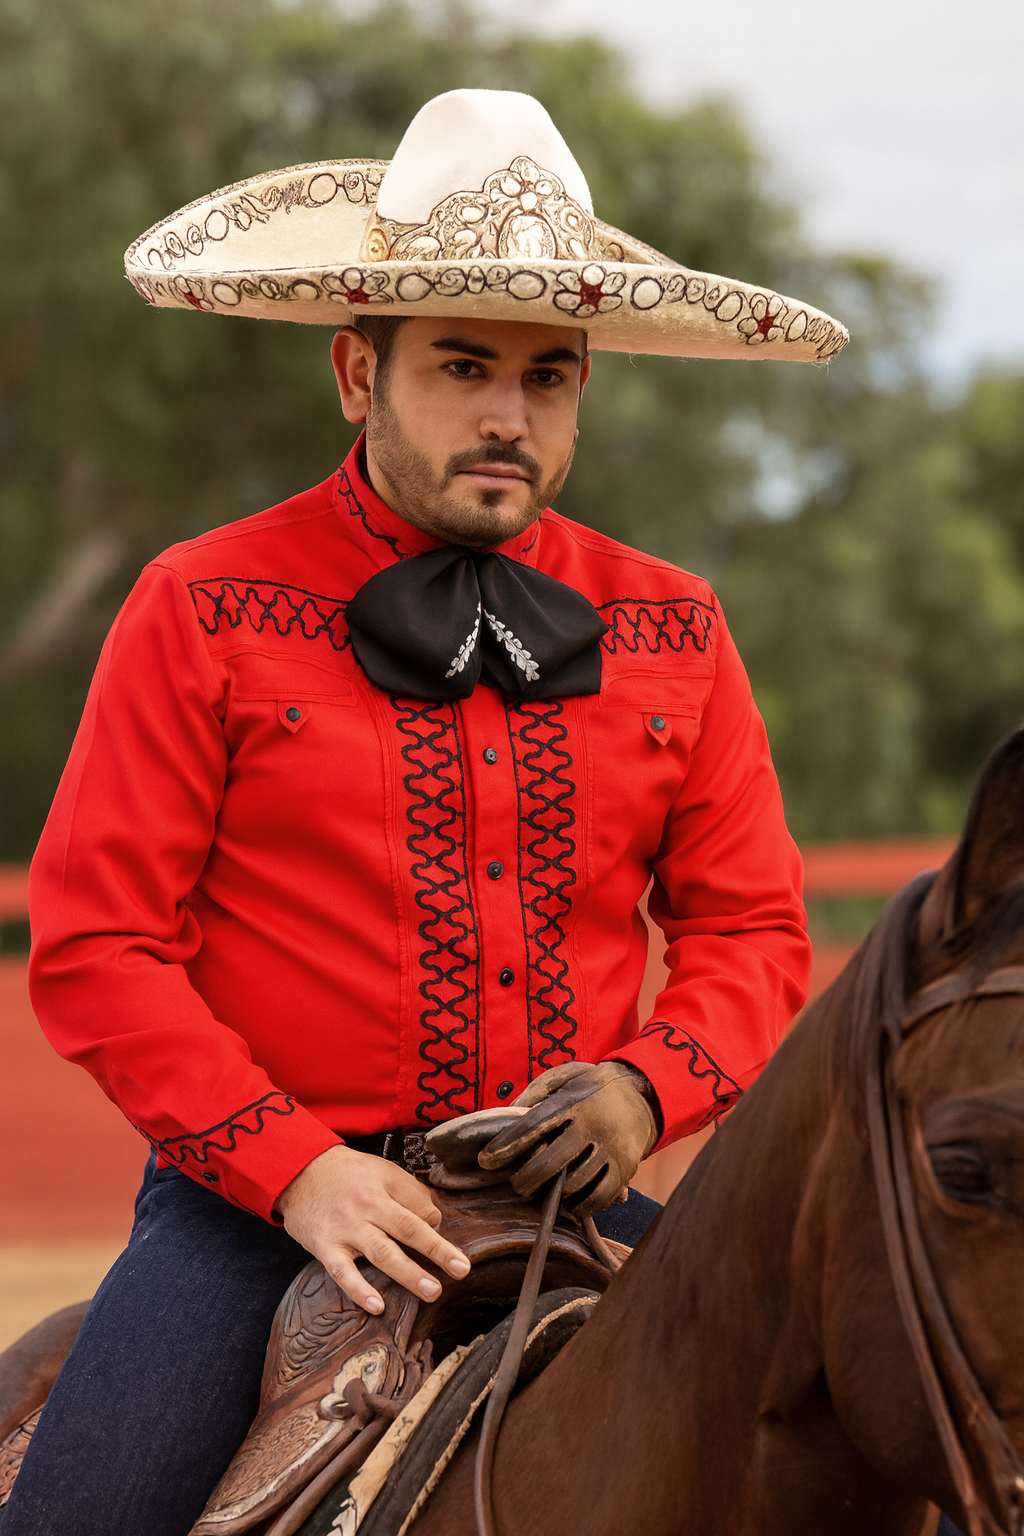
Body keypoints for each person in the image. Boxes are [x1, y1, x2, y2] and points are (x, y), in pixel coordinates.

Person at [1, 89, 847, 1535]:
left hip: (569, 1212)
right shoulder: (198, 605)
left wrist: (649, 1091)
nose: (508, 417)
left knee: (897, 1454)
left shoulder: (678, 627)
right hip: (256, 1218)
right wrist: (297, 1168)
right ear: (357, 371)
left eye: (550, 376)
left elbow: (755, 929)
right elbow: (98, 947)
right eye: (463, 365)